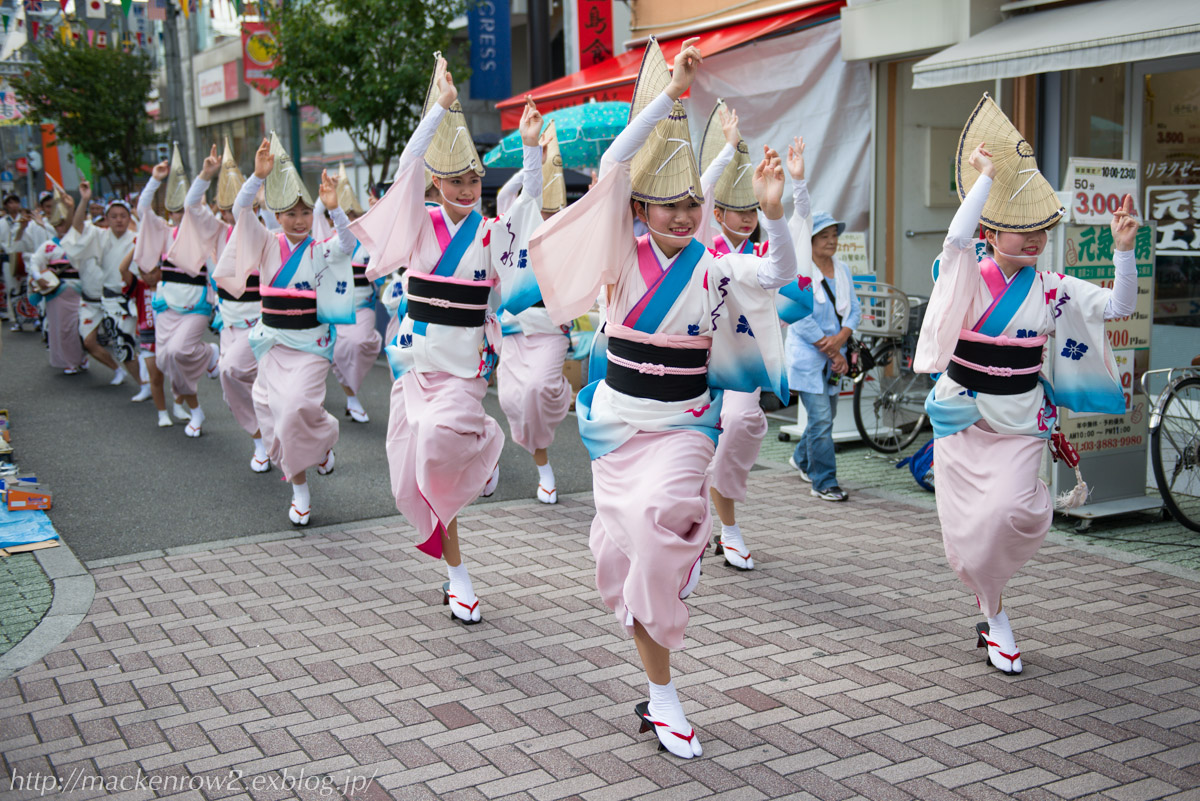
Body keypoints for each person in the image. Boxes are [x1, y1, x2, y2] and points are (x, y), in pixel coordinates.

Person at [528, 38, 798, 759]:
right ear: (641, 208)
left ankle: (680, 560)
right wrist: (669, 99)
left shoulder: (712, 268)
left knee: (660, 529)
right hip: (618, 432)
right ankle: (661, 691)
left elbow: (774, 271)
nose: (683, 216)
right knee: (637, 554)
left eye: (692, 206)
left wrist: (778, 209)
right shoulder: (618, 253)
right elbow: (616, 164)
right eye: (668, 205)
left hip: (683, 427)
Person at [915, 94, 1136, 676]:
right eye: (1020, 232)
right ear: (992, 232)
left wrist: (1123, 250)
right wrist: (984, 181)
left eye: (1041, 230)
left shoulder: (1053, 285)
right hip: (966, 418)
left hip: (1019, 423)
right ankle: (995, 614)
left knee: (1015, 514)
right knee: (969, 530)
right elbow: (957, 242)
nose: (1034, 241)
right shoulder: (960, 271)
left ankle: (992, 603)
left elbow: (1116, 307)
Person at [350, 54, 543, 625]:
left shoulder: (488, 233)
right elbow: (407, 166)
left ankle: (483, 445)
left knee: (437, 441)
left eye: (475, 178)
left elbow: (529, 210)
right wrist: (437, 109)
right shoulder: (416, 224)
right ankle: (457, 574)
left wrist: (530, 150)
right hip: (413, 371)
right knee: (414, 474)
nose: (468, 187)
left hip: (462, 375)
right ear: (438, 183)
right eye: (457, 179)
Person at [214, 134, 355, 524]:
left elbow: (349, 244)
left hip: (310, 347)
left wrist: (335, 209)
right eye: (291, 213)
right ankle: (299, 488)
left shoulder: (319, 249)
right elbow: (242, 212)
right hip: (272, 345)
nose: (298, 220)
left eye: (305, 213)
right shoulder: (265, 243)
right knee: (275, 418)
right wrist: (257, 178)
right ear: (277, 215)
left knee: (295, 410)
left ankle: (323, 438)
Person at [698, 103, 814, 568]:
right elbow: (699, 196)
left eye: (752, 211)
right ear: (717, 212)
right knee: (685, 445)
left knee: (744, 424)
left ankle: (726, 523)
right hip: (692, 356)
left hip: (737, 362)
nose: (745, 220)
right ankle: (704, 522)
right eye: (736, 211)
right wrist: (726, 151)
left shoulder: (765, 252)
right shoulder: (701, 244)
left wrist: (795, 188)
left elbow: (797, 246)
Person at [495, 119, 572, 504]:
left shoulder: (570, 239)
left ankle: (560, 395)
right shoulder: (517, 229)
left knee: (539, 388)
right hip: (514, 330)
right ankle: (542, 465)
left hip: (551, 330)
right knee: (512, 399)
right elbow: (507, 198)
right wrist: (532, 159)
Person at [134, 145, 220, 435]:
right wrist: (155, 181)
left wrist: (205, 176)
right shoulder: (161, 230)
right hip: (166, 303)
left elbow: (195, 203)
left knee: (181, 351)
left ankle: (208, 354)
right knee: (165, 358)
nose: (179, 213)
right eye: (174, 208)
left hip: (195, 303)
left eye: (183, 208)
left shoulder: (206, 227)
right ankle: (194, 409)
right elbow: (142, 210)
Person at [785, 209, 860, 502]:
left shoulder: (842, 270)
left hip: (834, 356)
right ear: (810, 241)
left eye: (834, 236)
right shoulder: (800, 273)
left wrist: (841, 340)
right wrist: (831, 350)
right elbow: (798, 317)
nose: (831, 241)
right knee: (821, 420)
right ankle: (824, 481)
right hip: (808, 358)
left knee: (825, 418)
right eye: (824, 236)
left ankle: (802, 459)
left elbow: (853, 308)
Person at [314, 164, 380, 424]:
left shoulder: (368, 242)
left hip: (362, 306)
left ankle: (350, 391)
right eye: (341, 213)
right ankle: (350, 396)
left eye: (351, 212)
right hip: (330, 308)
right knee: (330, 352)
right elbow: (317, 216)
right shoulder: (327, 240)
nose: (347, 218)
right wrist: (327, 195)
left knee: (359, 343)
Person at [63, 186, 139, 387]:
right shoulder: (100, 235)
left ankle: (145, 384)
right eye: (113, 216)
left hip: (126, 299)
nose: (119, 220)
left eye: (123, 215)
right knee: (88, 341)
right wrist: (83, 200)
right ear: (107, 218)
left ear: (129, 217)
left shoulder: (136, 238)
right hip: (98, 298)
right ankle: (118, 371)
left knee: (125, 343)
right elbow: (77, 229)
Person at [27, 188, 87, 373]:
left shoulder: (78, 241)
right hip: (57, 294)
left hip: (79, 293)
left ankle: (82, 358)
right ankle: (70, 361)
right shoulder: (49, 246)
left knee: (80, 329)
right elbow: (34, 263)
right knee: (62, 330)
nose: (62, 227)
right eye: (58, 224)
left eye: (64, 223)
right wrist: (38, 278)